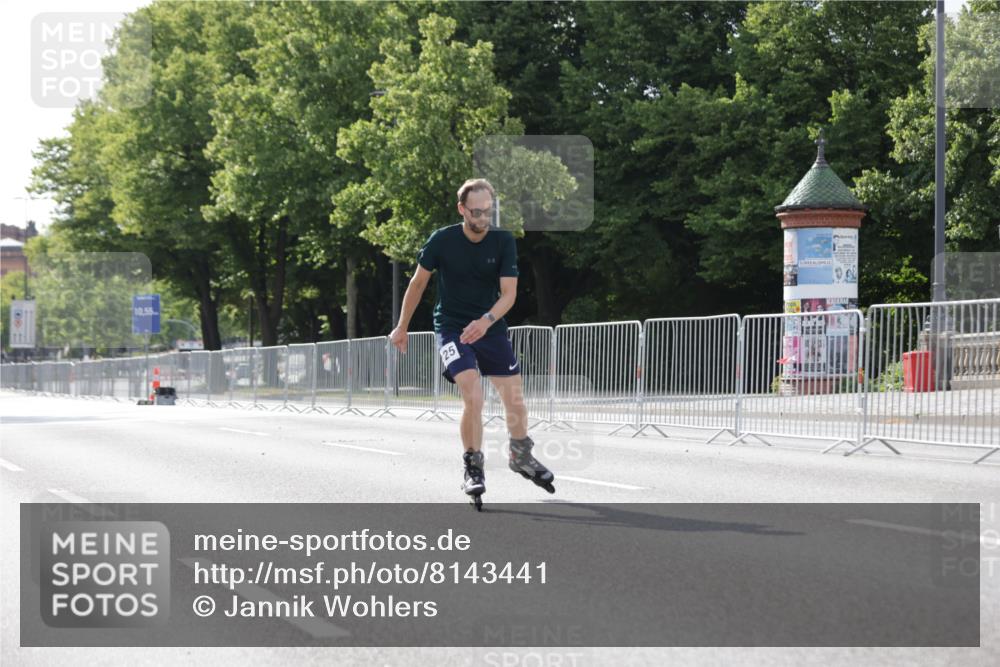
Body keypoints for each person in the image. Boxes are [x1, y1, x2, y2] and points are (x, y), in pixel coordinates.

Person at [389, 178, 554, 500]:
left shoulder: (502, 240)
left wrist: (487, 320)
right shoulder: (442, 240)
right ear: (461, 209)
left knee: (515, 399)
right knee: (474, 396)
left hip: (490, 327)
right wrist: (402, 326)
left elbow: (509, 294)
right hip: (452, 328)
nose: (481, 219)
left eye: (487, 212)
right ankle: (473, 466)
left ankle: (520, 456)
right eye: (475, 212)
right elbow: (418, 283)